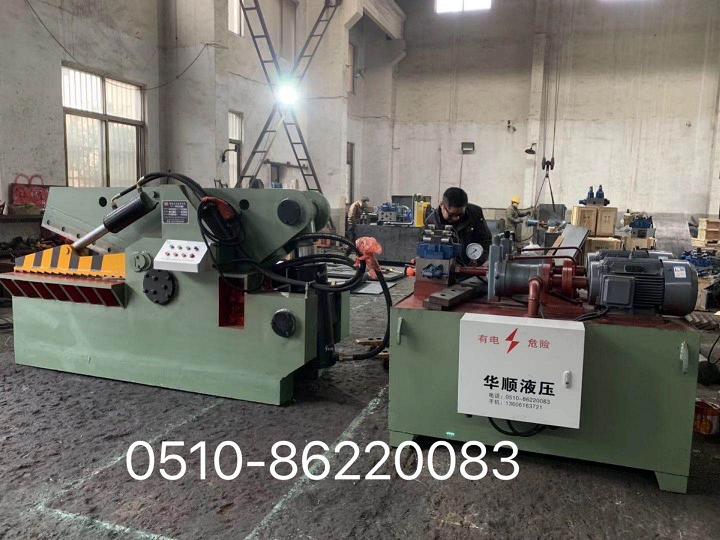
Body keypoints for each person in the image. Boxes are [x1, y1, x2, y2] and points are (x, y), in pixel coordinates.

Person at [425, 187, 492, 265]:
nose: (456, 218)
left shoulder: (475, 213)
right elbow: (428, 251)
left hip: (472, 265)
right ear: (442, 205)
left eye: (460, 214)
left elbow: (486, 240)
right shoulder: (432, 222)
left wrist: (479, 260)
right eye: (451, 215)